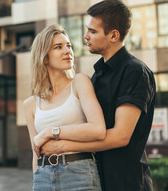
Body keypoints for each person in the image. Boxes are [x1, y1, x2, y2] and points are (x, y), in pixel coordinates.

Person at [40, 0, 156, 191]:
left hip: (126, 183)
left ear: (113, 35)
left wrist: (62, 146)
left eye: (92, 31)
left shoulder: (134, 71)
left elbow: (121, 136)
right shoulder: (97, 76)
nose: (86, 36)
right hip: (96, 181)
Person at [24, 24, 107, 191]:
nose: (67, 51)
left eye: (69, 46)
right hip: (43, 176)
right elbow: (36, 152)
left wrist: (50, 132)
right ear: (44, 57)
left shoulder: (80, 82)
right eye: (58, 47)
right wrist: (36, 179)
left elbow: (98, 130)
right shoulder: (31, 104)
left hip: (79, 173)